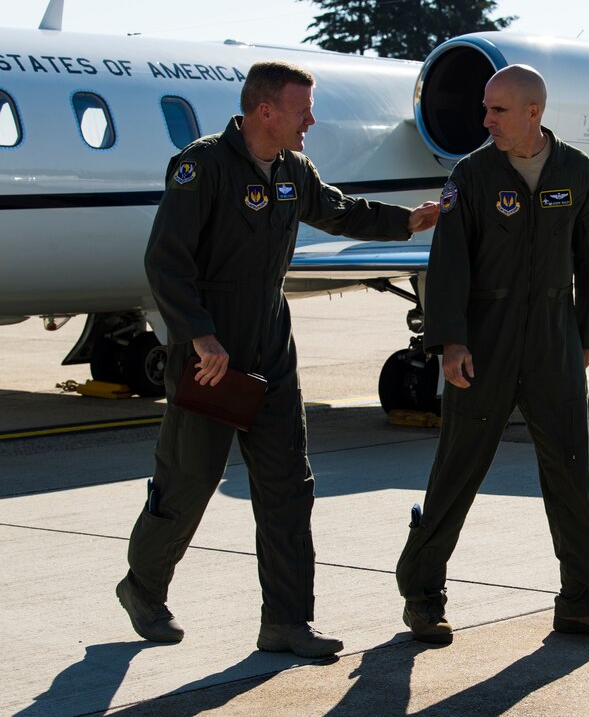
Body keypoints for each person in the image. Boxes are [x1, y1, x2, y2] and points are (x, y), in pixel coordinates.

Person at [116, 60, 439, 658]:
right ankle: (143, 586)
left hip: (271, 340)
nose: (311, 119)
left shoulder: (293, 169)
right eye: (302, 109)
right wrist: (199, 336)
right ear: (265, 110)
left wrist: (407, 222)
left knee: (289, 484)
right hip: (212, 348)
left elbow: (338, 209)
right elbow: (167, 262)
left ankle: (286, 622)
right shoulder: (202, 166)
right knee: (190, 479)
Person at [395, 64, 589, 644]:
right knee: (457, 470)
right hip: (485, 341)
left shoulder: (575, 171)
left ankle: (584, 598)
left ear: (534, 112)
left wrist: (586, 335)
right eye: (485, 109)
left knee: (575, 471)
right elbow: (447, 260)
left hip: (553, 339)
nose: (486, 121)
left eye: (498, 111)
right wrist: (450, 342)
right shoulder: (471, 174)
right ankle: (423, 598)